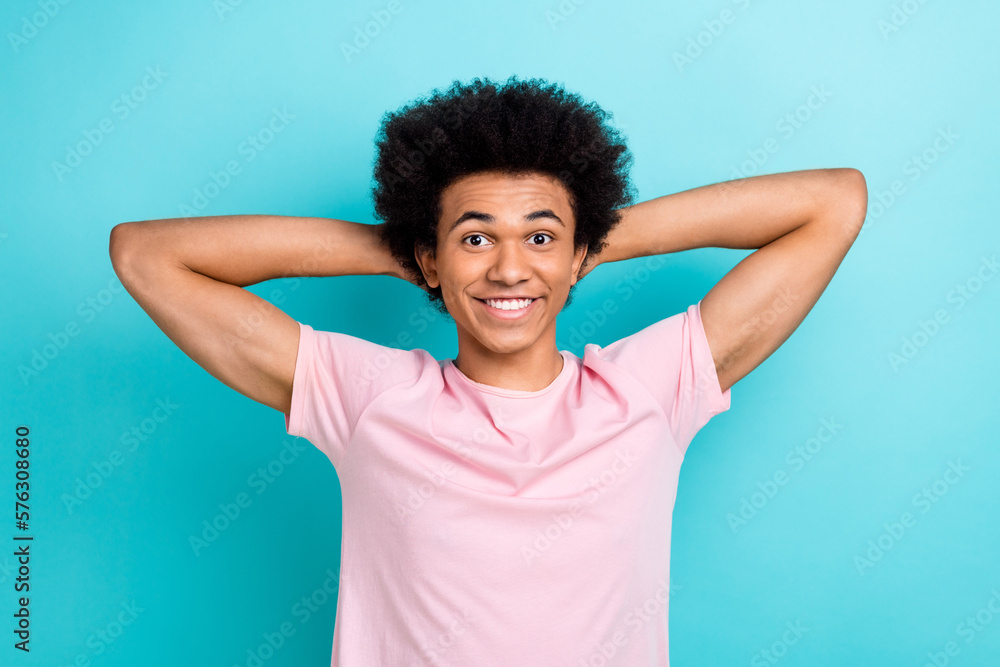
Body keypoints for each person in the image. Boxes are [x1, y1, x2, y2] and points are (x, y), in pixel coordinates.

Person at [109, 75, 867, 666]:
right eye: (477, 241)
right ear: (431, 259)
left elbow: (835, 202)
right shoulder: (369, 398)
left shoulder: (647, 390)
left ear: (578, 258)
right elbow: (145, 254)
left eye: (539, 237)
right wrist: (411, 246)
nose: (509, 269)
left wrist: (589, 236)